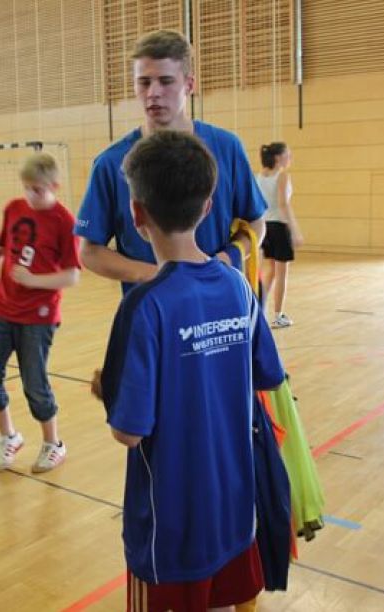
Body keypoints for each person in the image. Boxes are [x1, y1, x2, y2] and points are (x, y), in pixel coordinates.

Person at [93, 130, 285, 611]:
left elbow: (129, 432)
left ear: (136, 214)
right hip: (234, 514)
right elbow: (266, 375)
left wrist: (110, 389)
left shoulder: (144, 306)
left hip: (171, 531)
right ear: (208, 207)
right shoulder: (239, 287)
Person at [75, 29, 266, 294]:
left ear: (189, 84)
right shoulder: (110, 163)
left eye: (166, 81)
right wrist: (157, 276)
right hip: (151, 307)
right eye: (144, 82)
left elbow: (256, 223)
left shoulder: (227, 147)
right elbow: (90, 251)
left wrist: (226, 259)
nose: (153, 92)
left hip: (219, 301)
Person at [0, 152, 80, 473]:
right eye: (26, 188)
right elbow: (1, 250)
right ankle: (9, 436)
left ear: (54, 186)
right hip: (2, 308)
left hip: (39, 316)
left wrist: (34, 280)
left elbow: (72, 276)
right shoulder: (13, 209)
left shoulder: (64, 221)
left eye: (38, 189)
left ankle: (53, 443)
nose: (30, 195)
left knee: (34, 382)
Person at [257, 142, 303, 328]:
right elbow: (283, 204)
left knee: (270, 271)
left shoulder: (259, 176)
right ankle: (278, 316)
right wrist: (295, 230)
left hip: (265, 227)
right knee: (281, 273)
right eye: (287, 154)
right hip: (279, 227)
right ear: (277, 157)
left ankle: (258, 310)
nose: (290, 158)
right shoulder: (282, 175)